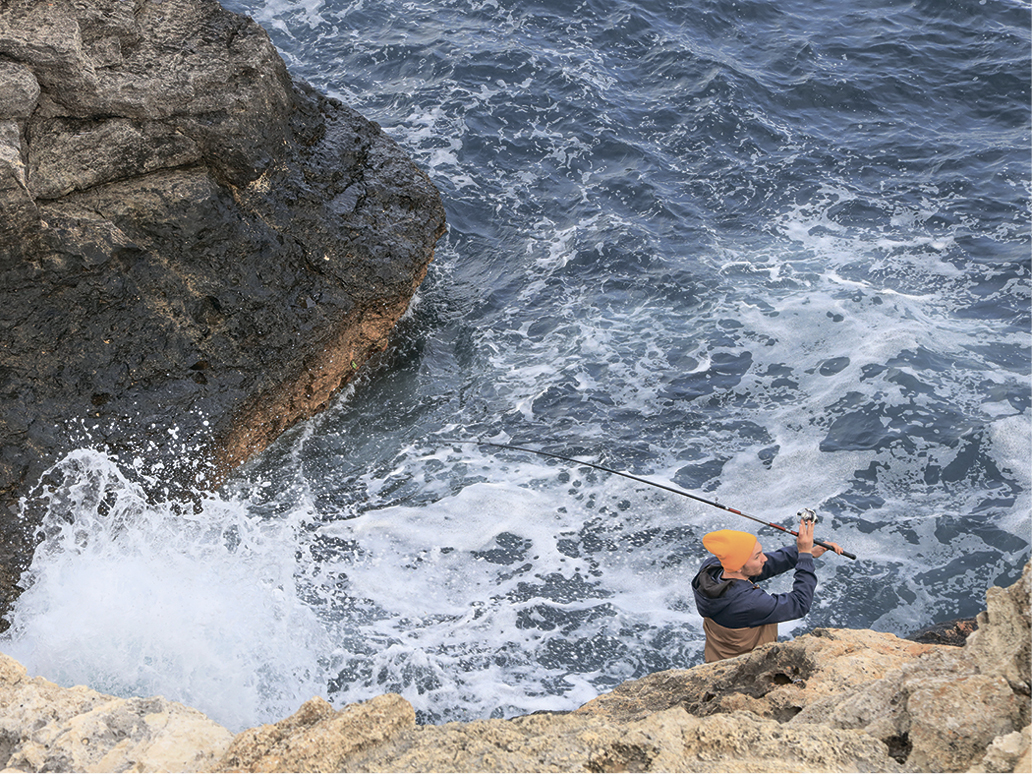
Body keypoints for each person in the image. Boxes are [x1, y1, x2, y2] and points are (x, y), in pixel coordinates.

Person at [691, 515, 843, 662]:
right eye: (757, 556)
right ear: (737, 567)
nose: (764, 558)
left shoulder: (711, 570)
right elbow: (800, 604)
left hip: (716, 658)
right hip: (744, 670)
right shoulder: (750, 603)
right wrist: (804, 555)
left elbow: (763, 566)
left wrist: (804, 552)